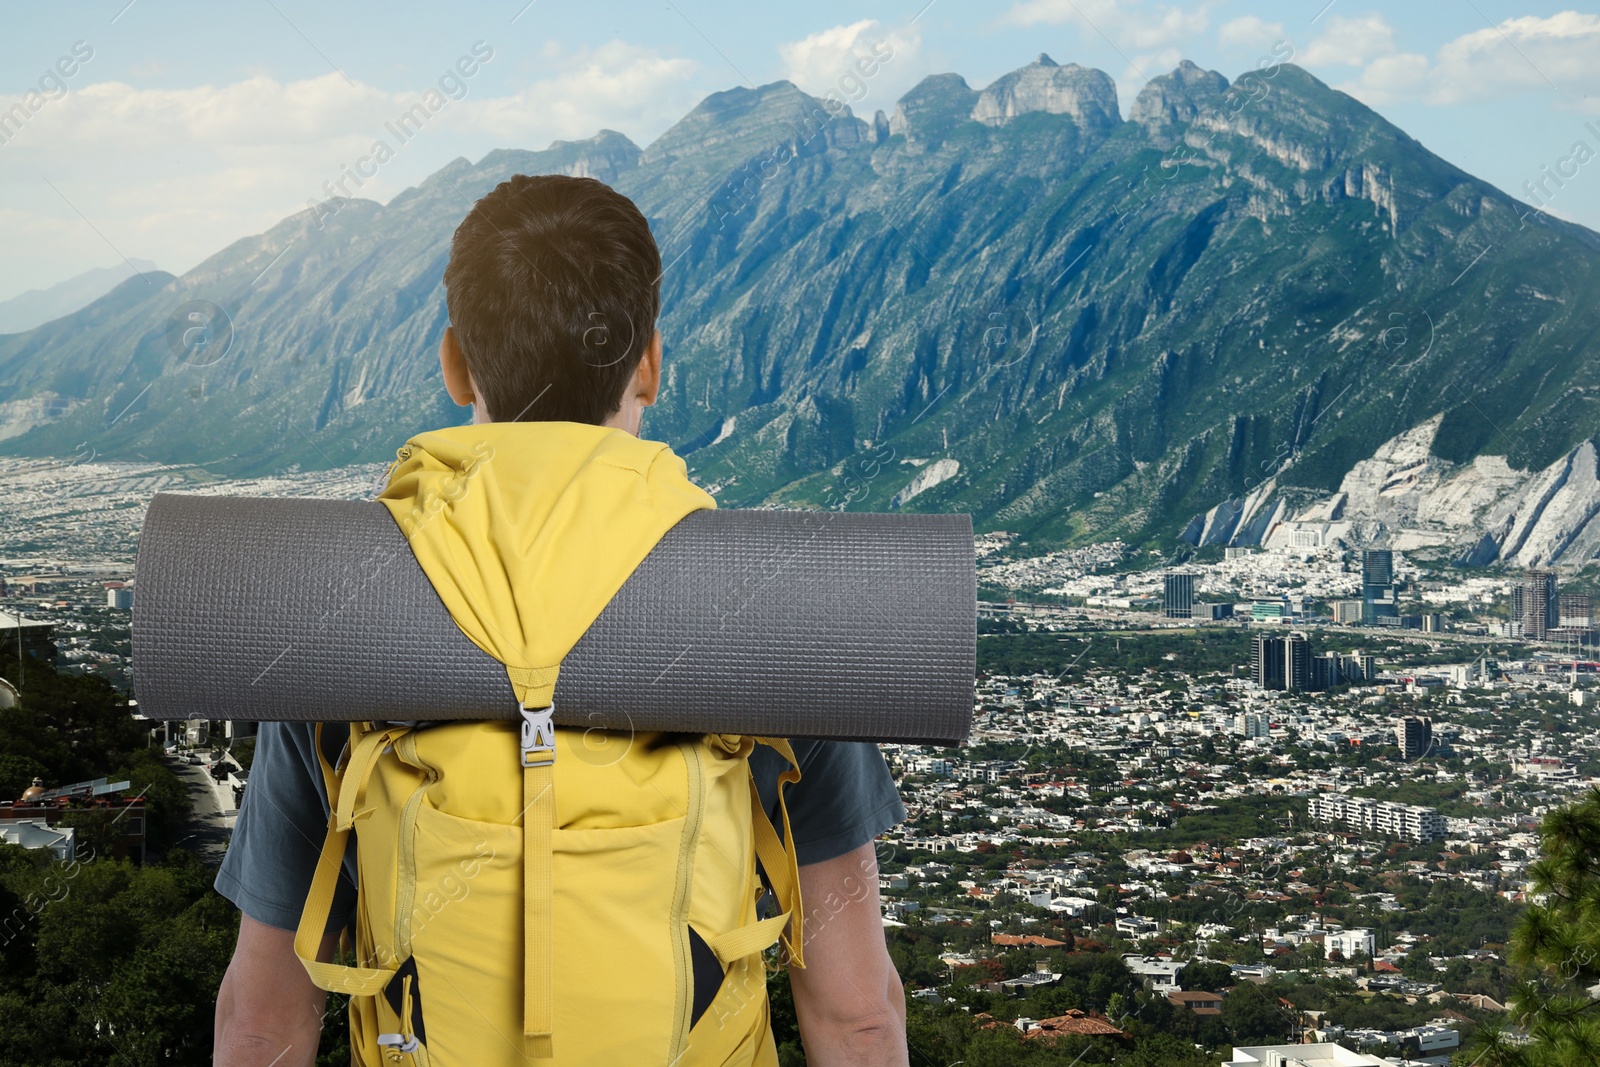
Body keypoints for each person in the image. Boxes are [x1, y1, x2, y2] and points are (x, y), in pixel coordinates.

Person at [211, 174, 909, 1066]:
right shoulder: (761, 607)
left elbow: (263, 1022)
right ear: (650, 362)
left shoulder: (348, 610)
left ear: (455, 362)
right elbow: (856, 1016)